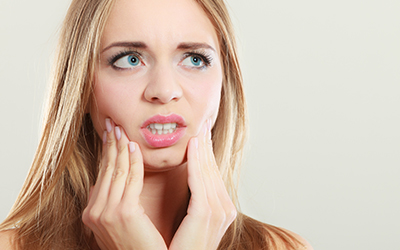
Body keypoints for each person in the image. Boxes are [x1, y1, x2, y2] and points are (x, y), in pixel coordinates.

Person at [0, 0, 312, 249]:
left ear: (224, 83)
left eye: (193, 59)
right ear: (80, 87)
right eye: (129, 59)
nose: (164, 91)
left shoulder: (281, 247)